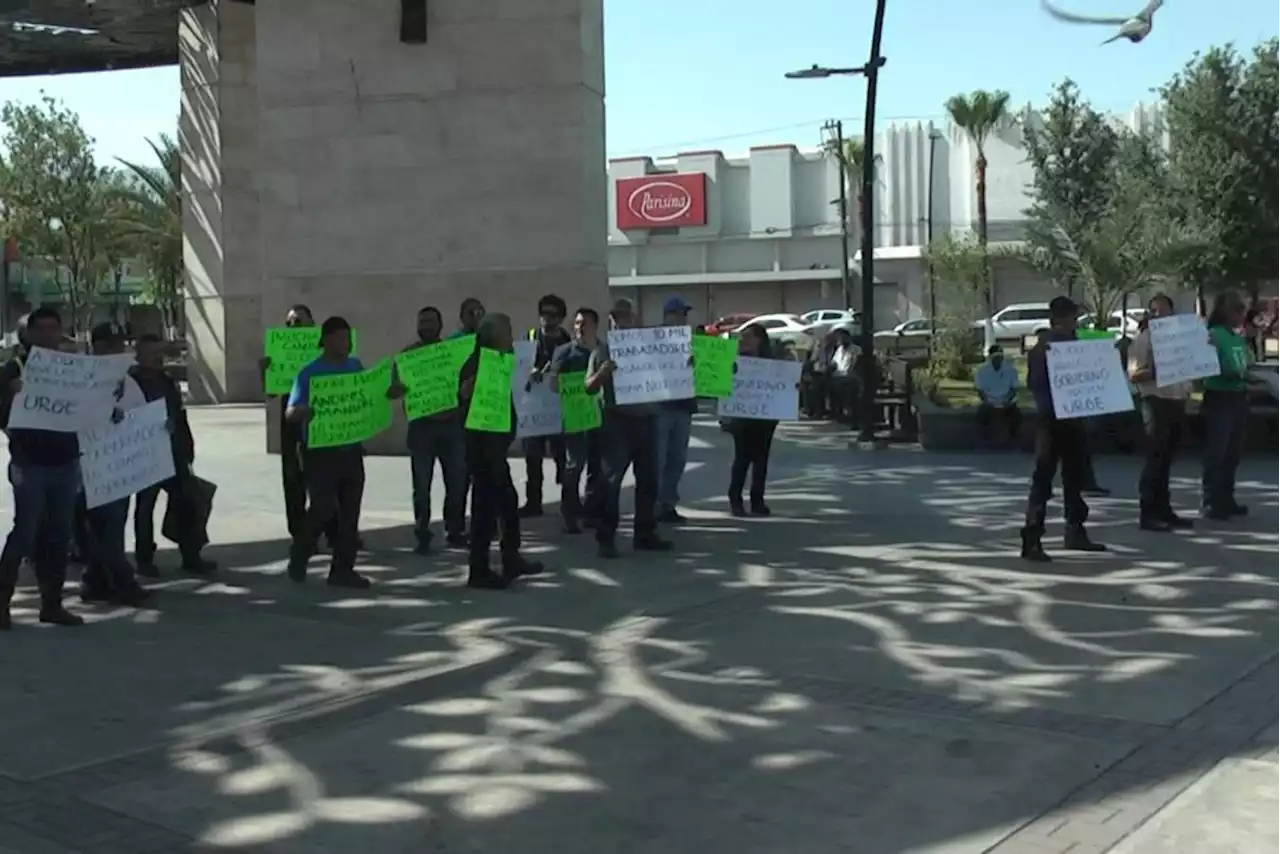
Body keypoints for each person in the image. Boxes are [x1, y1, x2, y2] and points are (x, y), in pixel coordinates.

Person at [285, 316, 394, 588]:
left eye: (349, 338)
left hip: (350, 450)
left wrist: (390, 393)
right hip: (319, 453)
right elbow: (290, 413)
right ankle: (300, 552)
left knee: (349, 512)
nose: (347, 343)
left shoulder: (355, 366)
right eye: (342, 338)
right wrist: (304, 411)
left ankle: (342, 569)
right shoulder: (309, 372)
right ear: (327, 339)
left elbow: (368, 397)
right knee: (323, 507)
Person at [0, 307, 87, 628]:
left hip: (66, 462)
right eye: (43, 330)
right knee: (25, 534)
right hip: (30, 465)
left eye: (55, 329)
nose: (50, 336)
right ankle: (2, 602)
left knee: (59, 535)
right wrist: (13, 399)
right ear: (29, 334)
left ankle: (52, 604)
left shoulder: (72, 368)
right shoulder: (14, 369)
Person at [458, 313, 544, 588]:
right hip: (482, 449)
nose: (511, 335)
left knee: (507, 503)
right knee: (484, 508)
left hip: (496, 447)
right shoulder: (477, 363)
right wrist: (465, 392)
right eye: (507, 330)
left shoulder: (500, 362)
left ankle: (510, 558)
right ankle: (479, 569)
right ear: (493, 335)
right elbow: (462, 398)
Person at [1021, 295, 1106, 562]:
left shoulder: (1040, 347)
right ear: (1065, 318)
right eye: (1074, 317)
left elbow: (1032, 383)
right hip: (1067, 419)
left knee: (1049, 479)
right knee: (1068, 478)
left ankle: (1036, 537)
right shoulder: (1066, 346)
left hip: (1052, 419)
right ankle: (1069, 531)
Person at [586, 298, 673, 558]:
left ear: (634, 319)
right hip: (617, 422)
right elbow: (588, 386)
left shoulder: (652, 349)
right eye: (615, 317)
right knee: (611, 482)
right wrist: (602, 374)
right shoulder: (603, 350)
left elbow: (672, 374)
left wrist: (684, 364)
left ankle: (645, 533)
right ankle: (606, 538)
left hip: (648, 421)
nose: (619, 321)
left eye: (624, 316)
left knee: (649, 481)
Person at [79, 323, 154, 606]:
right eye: (108, 345)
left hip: (120, 465)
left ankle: (95, 581)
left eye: (119, 345)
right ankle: (124, 582)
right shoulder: (81, 377)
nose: (115, 350)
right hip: (92, 466)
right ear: (96, 347)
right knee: (106, 527)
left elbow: (141, 414)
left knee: (108, 527)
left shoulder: (127, 380)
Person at [131, 333, 218, 575]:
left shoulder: (166, 380)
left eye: (160, 353)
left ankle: (191, 554)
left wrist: (187, 447)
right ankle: (144, 558)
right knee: (145, 506)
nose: (158, 358)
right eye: (152, 354)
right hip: (144, 455)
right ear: (139, 356)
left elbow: (180, 415)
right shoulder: (129, 383)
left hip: (173, 453)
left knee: (190, 499)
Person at [259, 305, 344, 551]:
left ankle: (334, 533)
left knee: (327, 482)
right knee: (294, 482)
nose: (294, 327)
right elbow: (272, 393)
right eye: (290, 323)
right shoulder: (280, 353)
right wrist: (263, 372)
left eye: (299, 321)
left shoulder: (326, 355)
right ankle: (300, 536)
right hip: (292, 424)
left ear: (312, 325)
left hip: (323, 425)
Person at [401, 306, 468, 554]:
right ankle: (422, 532)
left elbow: (465, 385)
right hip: (421, 428)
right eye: (422, 322)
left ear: (440, 325)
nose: (426, 326)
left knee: (457, 481)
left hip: (452, 425)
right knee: (421, 485)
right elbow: (395, 388)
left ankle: (455, 529)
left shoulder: (453, 353)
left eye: (431, 321)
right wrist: (398, 388)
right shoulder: (408, 356)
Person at [1127, 295, 1193, 531]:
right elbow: (1134, 374)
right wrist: (1158, 368)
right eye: (1154, 311)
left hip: (1177, 402)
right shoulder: (1145, 339)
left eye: (1163, 310)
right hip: (1156, 402)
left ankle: (1164, 510)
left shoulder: (1182, 339)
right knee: (1155, 459)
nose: (1158, 315)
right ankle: (1148, 514)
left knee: (1167, 460)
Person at [547, 307, 604, 534]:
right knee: (574, 466)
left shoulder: (604, 350)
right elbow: (553, 385)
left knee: (597, 467)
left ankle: (591, 511)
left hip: (600, 417)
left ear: (595, 326)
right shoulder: (564, 352)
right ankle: (569, 513)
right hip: (574, 419)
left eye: (584, 323)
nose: (579, 327)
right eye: (577, 323)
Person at [1200, 290, 1253, 520]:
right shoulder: (1214, 335)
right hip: (1219, 396)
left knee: (1233, 452)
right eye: (1237, 310)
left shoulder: (1237, 336)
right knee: (1217, 452)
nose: (1242, 315)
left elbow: (1247, 362)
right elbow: (1209, 365)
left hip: (1238, 396)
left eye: (1243, 310)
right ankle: (1211, 499)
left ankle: (1226, 497)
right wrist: (1233, 373)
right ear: (1225, 312)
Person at [519, 294, 570, 517]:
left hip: (559, 409)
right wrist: (528, 371)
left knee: (563, 458)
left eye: (552, 315)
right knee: (533, 458)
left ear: (561, 318)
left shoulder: (567, 342)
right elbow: (517, 367)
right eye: (543, 314)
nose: (546, 319)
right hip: (533, 410)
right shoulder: (529, 338)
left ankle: (569, 501)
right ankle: (533, 502)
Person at [726, 323, 780, 517]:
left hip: (765, 417)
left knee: (760, 460)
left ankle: (757, 501)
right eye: (741, 337)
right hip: (741, 416)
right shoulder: (733, 360)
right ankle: (736, 500)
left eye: (748, 337)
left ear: (760, 339)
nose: (743, 341)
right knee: (742, 459)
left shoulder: (772, 363)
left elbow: (783, 385)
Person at [653, 297, 697, 523]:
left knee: (677, 460)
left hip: (683, 407)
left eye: (684, 314)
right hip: (660, 407)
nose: (682, 318)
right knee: (658, 460)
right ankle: (652, 505)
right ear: (667, 316)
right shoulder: (653, 339)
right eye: (678, 314)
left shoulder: (692, 341)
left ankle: (668, 505)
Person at [974, 344, 1021, 447]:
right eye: (995, 357)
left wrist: (1006, 401)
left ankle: (1014, 443)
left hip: (1007, 401)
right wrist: (989, 402)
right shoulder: (982, 372)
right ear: (990, 357)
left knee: (1017, 417)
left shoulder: (1011, 370)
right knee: (980, 416)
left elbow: (1014, 390)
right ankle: (982, 443)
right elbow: (980, 391)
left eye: (1000, 356)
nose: (998, 359)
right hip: (989, 402)